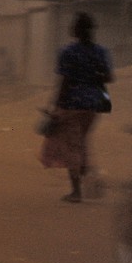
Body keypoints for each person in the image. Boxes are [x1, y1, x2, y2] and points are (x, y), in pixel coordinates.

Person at [42, 12, 114, 202]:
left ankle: (77, 191)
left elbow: (64, 81)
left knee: (72, 147)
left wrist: (56, 105)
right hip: (93, 105)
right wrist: (92, 75)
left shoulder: (68, 52)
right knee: (81, 142)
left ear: (77, 30)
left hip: (72, 104)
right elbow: (109, 77)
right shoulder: (100, 52)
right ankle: (90, 179)